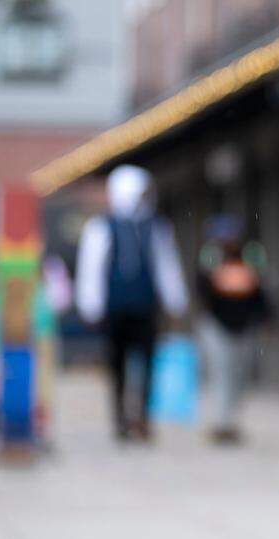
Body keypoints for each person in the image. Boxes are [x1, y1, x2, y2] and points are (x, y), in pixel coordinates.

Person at [76, 165, 188, 442]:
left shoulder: (156, 226)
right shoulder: (101, 227)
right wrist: (90, 304)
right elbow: (91, 268)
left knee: (148, 363)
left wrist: (176, 301)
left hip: (145, 307)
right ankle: (120, 420)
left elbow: (166, 266)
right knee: (118, 365)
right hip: (115, 309)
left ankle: (144, 418)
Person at [197, 215, 271, 445]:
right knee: (221, 372)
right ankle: (222, 422)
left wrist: (267, 318)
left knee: (240, 374)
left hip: (245, 325)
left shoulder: (251, 256)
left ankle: (232, 420)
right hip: (217, 325)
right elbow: (202, 289)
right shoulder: (210, 257)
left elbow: (262, 291)